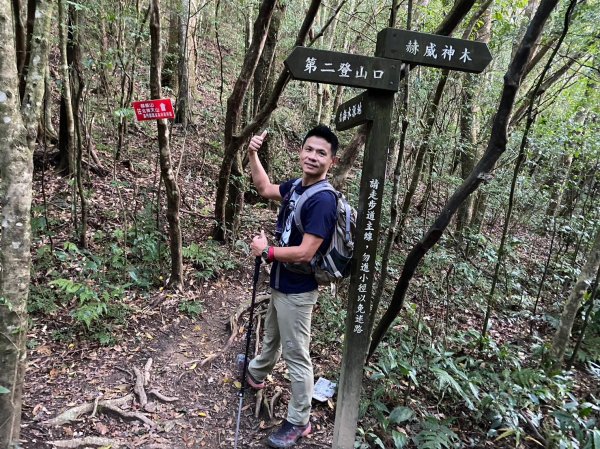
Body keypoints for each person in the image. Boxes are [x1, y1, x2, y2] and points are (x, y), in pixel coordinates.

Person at [246, 125, 339, 448]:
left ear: (332, 161)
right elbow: (264, 188)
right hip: (281, 282)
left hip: (298, 290)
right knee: (271, 335)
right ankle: (256, 374)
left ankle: (300, 421)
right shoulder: (298, 187)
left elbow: (306, 251)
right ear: (300, 152)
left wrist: (266, 251)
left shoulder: (323, 201)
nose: (313, 157)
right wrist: (252, 153)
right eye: (309, 150)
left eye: (321, 153)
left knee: (297, 355)